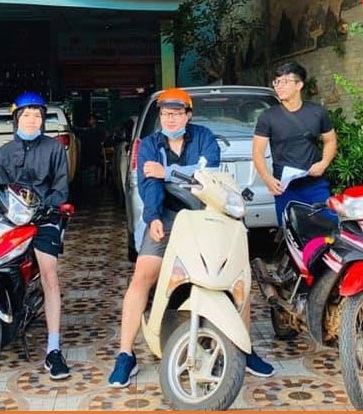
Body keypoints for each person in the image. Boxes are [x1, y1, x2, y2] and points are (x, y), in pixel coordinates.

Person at [109, 88, 274, 388]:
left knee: (236, 276)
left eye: (176, 113)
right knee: (142, 276)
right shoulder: (150, 144)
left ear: (188, 115)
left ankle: (246, 349)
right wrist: (153, 217)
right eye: (165, 114)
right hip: (168, 216)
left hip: (208, 213)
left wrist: (166, 171)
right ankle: (125, 354)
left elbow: (206, 174)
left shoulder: (204, 138)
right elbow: (149, 185)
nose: (170, 119)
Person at [0, 91, 71, 380]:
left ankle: (53, 349)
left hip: (44, 218)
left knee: (49, 275)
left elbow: (61, 189)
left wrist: (46, 207)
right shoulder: (3, 152)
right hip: (11, 221)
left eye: (37, 115)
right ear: (16, 119)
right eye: (27, 115)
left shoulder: (55, 148)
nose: (32, 120)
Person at [252, 61, 337, 224]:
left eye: (284, 82)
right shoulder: (268, 117)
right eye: (276, 82)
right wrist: (268, 179)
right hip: (284, 188)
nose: (279, 86)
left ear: (299, 85)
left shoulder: (317, 112)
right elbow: (257, 152)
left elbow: (330, 140)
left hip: (316, 185)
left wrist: (324, 163)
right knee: (292, 231)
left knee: (328, 228)